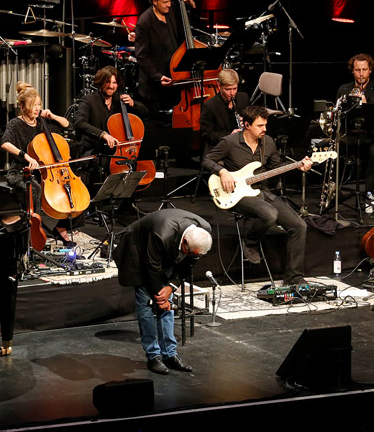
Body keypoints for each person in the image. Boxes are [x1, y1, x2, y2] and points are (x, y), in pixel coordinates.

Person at [202, 104, 312, 285]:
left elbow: (276, 168)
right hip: (236, 194)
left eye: (265, 125)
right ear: (247, 125)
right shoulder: (230, 142)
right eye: (260, 126)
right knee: (269, 214)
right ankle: (250, 241)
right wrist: (222, 172)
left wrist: (298, 167)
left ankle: (294, 278)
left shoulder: (268, 142)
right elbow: (207, 160)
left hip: (262, 191)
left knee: (299, 225)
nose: (265, 129)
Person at [113, 209, 212, 374]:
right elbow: (151, 268)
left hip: (163, 253)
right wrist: (161, 297)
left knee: (167, 305)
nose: (191, 256)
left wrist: (171, 287)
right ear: (185, 242)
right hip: (137, 250)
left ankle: (169, 355)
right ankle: (153, 356)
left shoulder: (203, 231)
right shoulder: (162, 234)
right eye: (189, 252)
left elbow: (189, 262)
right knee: (147, 303)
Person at [0, 82, 72, 243]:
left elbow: (68, 125)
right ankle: (34, 229)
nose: (37, 108)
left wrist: (52, 116)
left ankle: (61, 227)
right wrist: (26, 156)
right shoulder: (15, 124)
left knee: (70, 189)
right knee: (35, 188)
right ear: (22, 106)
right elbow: (5, 143)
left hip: (43, 171)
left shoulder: (42, 122)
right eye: (33, 105)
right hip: (20, 171)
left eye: (39, 104)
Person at [74, 66, 149, 184]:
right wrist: (103, 134)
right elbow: (79, 123)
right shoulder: (88, 100)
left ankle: (128, 200)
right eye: (107, 82)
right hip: (94, 150)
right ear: (100, 82)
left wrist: (133, 103)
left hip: (117, 150)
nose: (111, 86)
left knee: (138, 163)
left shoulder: (119, 101)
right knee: (106, 162)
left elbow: (145, 112)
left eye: (114, 82)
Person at [134, 0, 196, 119]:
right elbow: (141, 56)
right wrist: (158, 76)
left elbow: (189, 26)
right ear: (155, 1)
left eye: (170, 1)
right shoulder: (144, 22)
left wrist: (190, 6)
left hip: (174, 79)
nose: (169, 4)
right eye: (165, 2)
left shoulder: (171, 9)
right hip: (155, 85)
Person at [335, 53, 374, 200]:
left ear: (370, 70)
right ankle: (335, 189)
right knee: (336, 146)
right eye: (358, 70)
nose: (361, 74)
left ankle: (369, 190)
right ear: (352, 71)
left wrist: (365, 105)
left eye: (364, 70)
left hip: (370, 135)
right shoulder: (344, 89)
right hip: (351, 134)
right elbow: (339, 116)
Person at [199, 68, 249, 151]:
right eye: (228, 89)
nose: (232, 93)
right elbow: (206, 134)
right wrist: (230, 135)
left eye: (235, 88)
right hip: (221, 147)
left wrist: (247, 123)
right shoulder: (210, 106)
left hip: (242, 145)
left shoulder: (243, 98)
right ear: (219, 86)